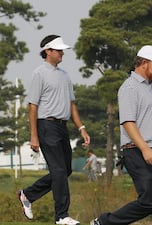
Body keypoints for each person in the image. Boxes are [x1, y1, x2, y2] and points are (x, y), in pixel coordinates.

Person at [90, 45, 152, 225]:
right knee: (149, 201)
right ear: (144, 63)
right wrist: (145, 149)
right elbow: (128, 123)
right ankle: (104, 222)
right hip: (138, 152)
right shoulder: (129, 88)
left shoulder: (150, 88)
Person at [18, 35, 90, 225]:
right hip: (46, 126)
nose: (62, 53)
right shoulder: (39, 74)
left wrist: (81, 128)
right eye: (58, 50)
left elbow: (72, 104)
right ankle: (61, 216)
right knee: (58, 170)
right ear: (48, 51)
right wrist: (34, 136)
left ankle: (28, 194)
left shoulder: (65, 75)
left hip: (62, 127)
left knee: (65, 170)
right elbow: (32, 106)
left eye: (62, 50)